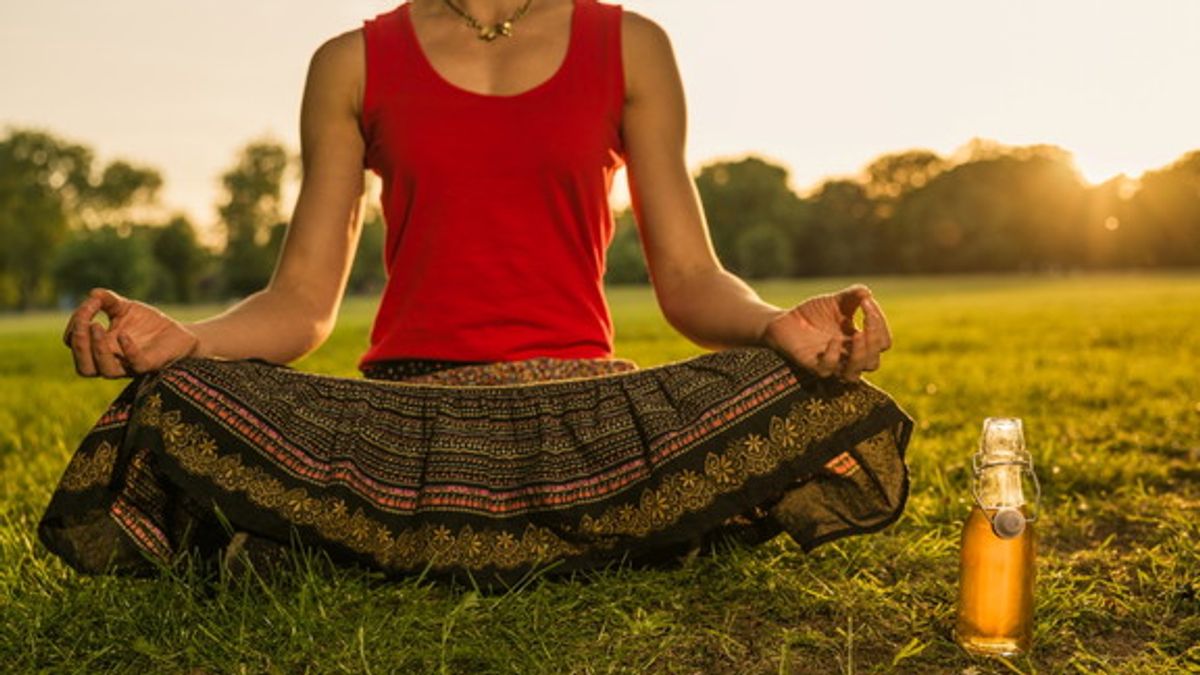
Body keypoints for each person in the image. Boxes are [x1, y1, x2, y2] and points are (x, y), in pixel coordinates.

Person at [40, 0, 913, 586]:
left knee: (806, 385)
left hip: (586, 411)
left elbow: (687, 281)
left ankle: (348, 542)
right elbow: (302, 302)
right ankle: (600, 535)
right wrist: (187, 342)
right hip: (407, 422)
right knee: (177, 393)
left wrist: (775, 328)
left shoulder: (630, 43)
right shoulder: (350, 62)